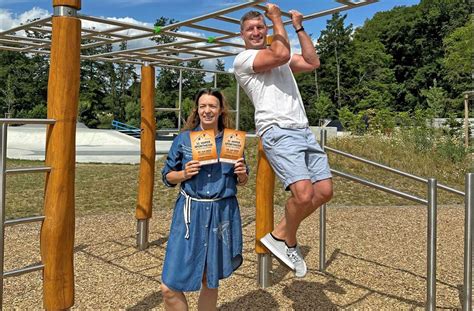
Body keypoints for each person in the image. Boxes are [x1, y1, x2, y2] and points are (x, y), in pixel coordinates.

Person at [233, 4, 333, 278]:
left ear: (265, 31)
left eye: (260, 27)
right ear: (242, 34)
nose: (255, 32)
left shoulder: (280, 55)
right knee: (303, 194)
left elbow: (313, 62)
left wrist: (299, 27)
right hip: (277, 130)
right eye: (250, 29)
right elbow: (281, 53)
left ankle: (281, 236)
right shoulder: (244, 60)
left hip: (301, 129)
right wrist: (278, 18)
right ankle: (283, 238)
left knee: (323, 191)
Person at [160, 88, 249, 311]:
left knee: (209, 278)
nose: (207, 111)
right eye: (203, 106)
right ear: (197, 110)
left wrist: (241, 173)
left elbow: (242, 179)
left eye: (212, 106)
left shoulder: (232, 139)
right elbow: (167, 176)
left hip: (221, 212)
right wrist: (183, 174)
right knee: (168, 285)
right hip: (190, 213)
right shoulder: (183, 139)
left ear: (220, 110)